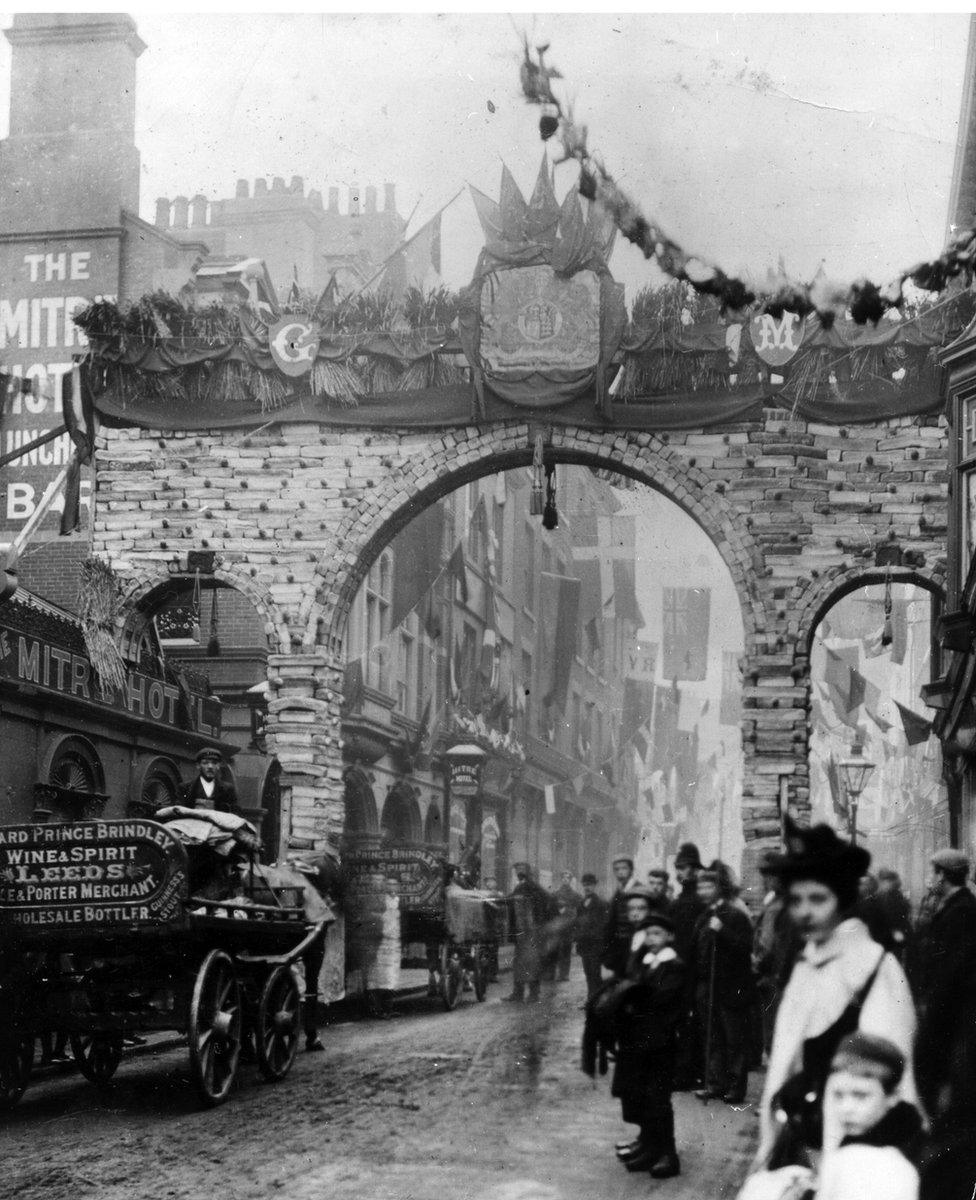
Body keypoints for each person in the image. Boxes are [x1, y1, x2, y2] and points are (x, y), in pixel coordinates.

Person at [754, 822, 917, 1171]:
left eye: (818, 899)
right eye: (796, 900)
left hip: (858, 1150)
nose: (805, 912)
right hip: (802, 1145)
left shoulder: (875, 967)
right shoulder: (805, 966)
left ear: (841, 900)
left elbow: (894, 1076)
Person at [740, 1032, 923, 1200]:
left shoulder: (887, 1164)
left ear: (892, 1097)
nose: (846, 1108)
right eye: (838, 1095)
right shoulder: (852, 1147)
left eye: (861, 1096)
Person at [913, 849, 976, 1200]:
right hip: (942, 1011)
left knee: (947, 1085)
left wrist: (932, 1011)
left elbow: (953, 971)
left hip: (952, 1018)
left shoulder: (963, 910)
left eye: (935, 872)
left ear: (944, 875)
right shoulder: (951, 906)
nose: (931, 878)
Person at [611, 897, 685, 1179]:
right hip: (640, 1042)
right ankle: (651, 1146)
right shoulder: (644, 961)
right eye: (648, 934)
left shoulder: (673, 965)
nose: (652, 939)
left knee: (658, 1099)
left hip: (660, 1043)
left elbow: (658, 998)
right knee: (641, 1095)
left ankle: (668, 1153)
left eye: (657, 934)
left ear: (669, 937)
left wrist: (632, 998)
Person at [691, 865, 756, 1104]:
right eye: (700, 886)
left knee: (733, 1038)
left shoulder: (734, 915)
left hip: (730, 986)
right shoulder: (704, 916)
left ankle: (736, 1087)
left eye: (709, 886)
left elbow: (745, 947)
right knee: (712, 1037)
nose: (704, 890)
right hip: (707, 985)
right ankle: (715, 1083)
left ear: (720, 889)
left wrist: (724, 931)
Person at [752, 850, 800, 1062]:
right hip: (781, 978)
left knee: (777, 1039)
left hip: (777, 979)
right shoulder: (781, 903)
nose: (768, 880)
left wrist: (757, 965)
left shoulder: (780, 907)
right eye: (766, 875)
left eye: (772, 876)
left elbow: (769, 945)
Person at [671, 841, 707, 1090]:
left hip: (690, 969)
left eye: (683, 868)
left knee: (689, 1021)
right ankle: (688, 1072)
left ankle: (686, 1074)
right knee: (683, 1020)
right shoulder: (682, 899)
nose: (679, 872)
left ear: (694, 870)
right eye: (678, 868)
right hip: (681, 968)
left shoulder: (694, 901)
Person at [506, 863, 556, 1004]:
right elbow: (510, 901)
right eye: (517, 870)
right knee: (519, 962)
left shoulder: (533, 887)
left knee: (531, 963)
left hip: (532, 933)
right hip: (522, 933)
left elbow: (548, 901)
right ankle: (519, 993)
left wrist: (541, 922)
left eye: (521, 870)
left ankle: (532, 994)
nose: (518, 873)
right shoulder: (521, 887)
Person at [364, 876, 401, 1019]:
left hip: (394, 941)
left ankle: (388, 1008)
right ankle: (377, 1009)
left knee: (391, 975)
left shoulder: (398, 900)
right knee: (377, 975)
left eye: (394, 884)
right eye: (389, 884)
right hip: (380, 942)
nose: (392, 887)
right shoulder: (380, 900)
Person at [602, 856, 642, 977]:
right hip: (619, 947)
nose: (620, 872)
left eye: (624, 868)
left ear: (631, 870)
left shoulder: (638, 889)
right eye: (617, 869)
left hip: (634, 946)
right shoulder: (618, 891)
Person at [575, 873, 609, 998]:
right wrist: (578, 939)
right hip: (585, 945)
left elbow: (604, 926)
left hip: (596, 945)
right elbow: (578, 924)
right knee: (588, 972)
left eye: (589, 885)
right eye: (584, 885)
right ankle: (591, 999)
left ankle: (597, 1000)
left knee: (596, 973)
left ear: (594, 885)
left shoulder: (602, 904)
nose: (587, 887)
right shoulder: (581, 904)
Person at [179, 748, 240, 814]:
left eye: (214, 763)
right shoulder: (185, 788)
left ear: (218, 766)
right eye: (205, 763)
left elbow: (235, 814)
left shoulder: (228, 789)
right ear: (198, 766)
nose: (210, 766)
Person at [876, 869, 913, 964]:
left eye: (887, 881)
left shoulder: (897, 897)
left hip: (894, 936)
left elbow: (901, 918)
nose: (884, 884)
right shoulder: (880, 896)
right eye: (883, 881)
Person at [553, 870, 583, 982]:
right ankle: (558, 973)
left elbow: (580, 909)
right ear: (561, 879)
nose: (565, 879)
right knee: (557, 950)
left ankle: (564, 974)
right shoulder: (556, 894)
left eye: (567, 878)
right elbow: (551, 908)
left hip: (569, 927)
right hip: (558, 926)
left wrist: (569, 912)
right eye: (563, 878)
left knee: (566, 950)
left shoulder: (575, 895)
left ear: (570, 880)